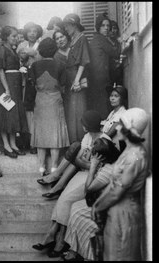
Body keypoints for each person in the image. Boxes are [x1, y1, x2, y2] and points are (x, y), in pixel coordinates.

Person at [33, 111, 111, 258]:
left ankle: (57, 238)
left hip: (95, 177)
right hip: (84, 173)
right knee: (64, 198)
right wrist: (88, 162)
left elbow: (98, 166)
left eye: (84, 124)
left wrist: (87, 162)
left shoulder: (104, 139)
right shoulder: (87, 137)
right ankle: (56, 236)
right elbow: (78, 160)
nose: (82, 126)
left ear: (89, 125)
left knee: (67, 199)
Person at [91, 108, 149, 261]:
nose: (116, 128)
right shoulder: (129, 151)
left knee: (121, 254)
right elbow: (113, 184)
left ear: (129, 130)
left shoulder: (135, 157)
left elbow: (117, 192)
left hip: (125, 214)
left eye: (120, 125)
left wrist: (98, 207)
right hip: (116, 211)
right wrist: (99, 204)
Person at [63, 138, 120, 261]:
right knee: (75, 206)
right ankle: (74, 250)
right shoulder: (113, 161)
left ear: (101, 157)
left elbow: (87, 190)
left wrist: (93, 166)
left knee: (78, 214)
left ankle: (88, 256)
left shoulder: (109, 170)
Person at [30, 37, 70, 175]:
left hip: (40, 99)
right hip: (55, 99)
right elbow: (63, 84)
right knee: (55, 133)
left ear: (40, 50)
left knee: (41, 133)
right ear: (54, 50)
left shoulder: (35, 65)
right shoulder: (60, 65)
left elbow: (32, 84)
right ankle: (54, 167)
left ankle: (41, 167)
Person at [0, 26, 28, 158]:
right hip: (7, 85)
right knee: (5, 113)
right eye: (13, 36)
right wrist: (7, 89)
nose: (16, 38)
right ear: (6, 37)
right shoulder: (1, 50)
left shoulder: (12, 50)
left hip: (15, 85)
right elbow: (0, 70)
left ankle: (13, 144)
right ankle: (6, 146)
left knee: (14, 114)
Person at [62, 13, 91, 144]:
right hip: (70, 77)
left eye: (67, 26)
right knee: (71, 111)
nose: (66, 29)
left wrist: (77, 80)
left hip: (76, 77)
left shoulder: (82, 38)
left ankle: (79, 142)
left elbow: (83, 62)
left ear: (74, 25)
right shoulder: (73, 40)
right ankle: (73, 142)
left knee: (77, 110)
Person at [16, 22, 43, 154]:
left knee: (36, 111)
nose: (32, 33)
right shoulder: (21, 45)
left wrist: (33, 53)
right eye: (30, 31)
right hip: (23, 81)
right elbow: (18, 60)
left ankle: (36, 142)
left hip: (37, 81)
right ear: (26, 33)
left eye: (35, 31)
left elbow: (42, 60)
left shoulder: (41, 44)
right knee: (25, 111)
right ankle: (26, 141)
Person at [88, 13, 121, 120]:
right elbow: (115, 52)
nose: (106, 28)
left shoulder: (97, 39)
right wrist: (122, 41)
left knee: (100, 105)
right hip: (100, 78)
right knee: (103, 106)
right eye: (103, 26)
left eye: (108, 26)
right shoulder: (100, 39)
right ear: (98, 27)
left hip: (97, 78)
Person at [101, 84, 128, 151]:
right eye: (111, 95)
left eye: (116, 96)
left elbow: (109, 135)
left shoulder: (123, 113)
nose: (112, 98)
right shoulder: (113, 112)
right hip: (106, 143)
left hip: (114, 147)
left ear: (122, 98)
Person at [109, 20, 124, 85]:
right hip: (108, 72)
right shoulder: (105, 43)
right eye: (110, 29)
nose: (112, 31)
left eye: (114, 28)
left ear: (117, 30)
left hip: (118, 71)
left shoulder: (119, 42)